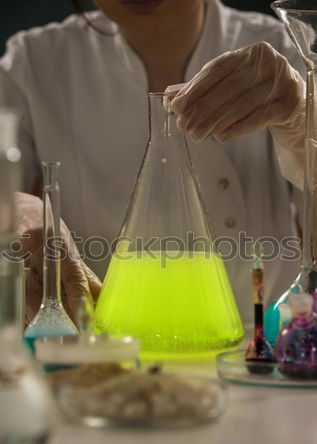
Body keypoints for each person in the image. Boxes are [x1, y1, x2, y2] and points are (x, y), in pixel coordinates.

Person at [0, 0, 306, 326]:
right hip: (102, 353)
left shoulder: (287, 52)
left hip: (265, 354)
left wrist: (302, 119)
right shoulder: (34, 62)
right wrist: (14, 211)